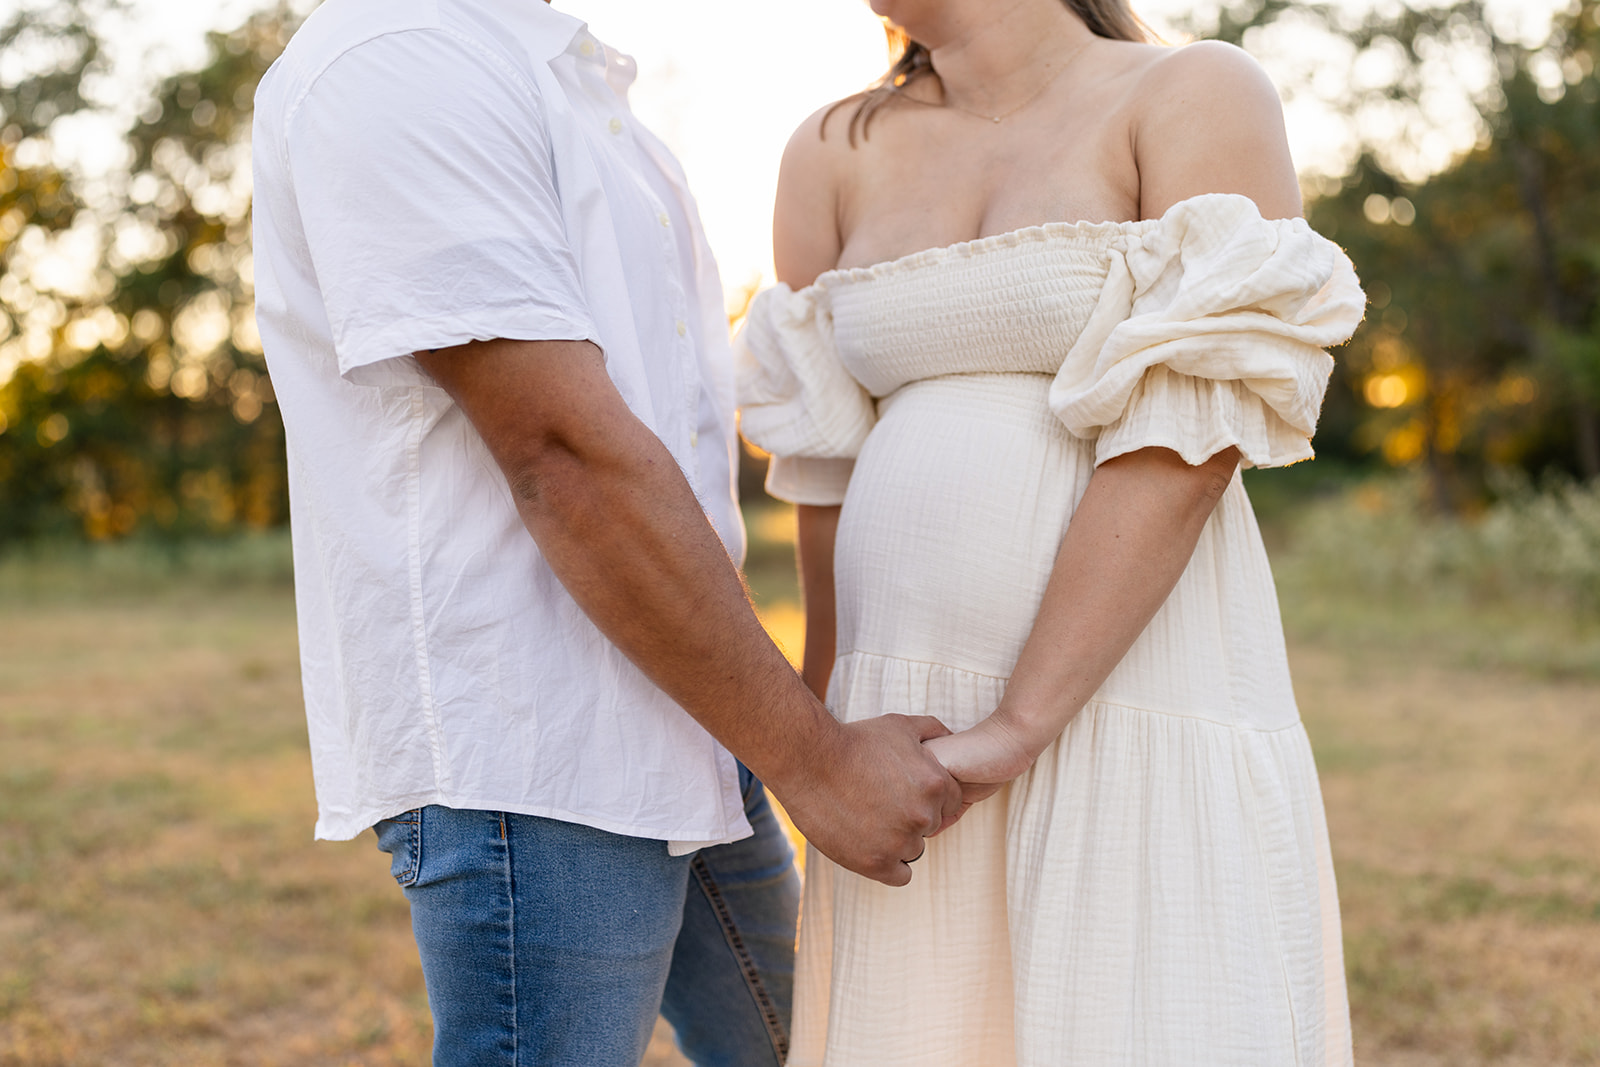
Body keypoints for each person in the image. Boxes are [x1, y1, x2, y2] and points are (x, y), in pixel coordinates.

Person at [249, 0, 965, 1064]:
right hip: (540, 755)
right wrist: (817, 761)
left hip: (693, 713)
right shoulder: (399, 54)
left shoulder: (574, 82)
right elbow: (561, 452)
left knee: (815, 1045)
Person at [735, 0, 1366, 1064]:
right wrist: (826, 738)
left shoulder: (1189, 94)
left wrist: (1022, 720)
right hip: (906, 726)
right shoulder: (828, 151)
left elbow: (1193, 428)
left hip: (1136, 689)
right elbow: (823, 471)